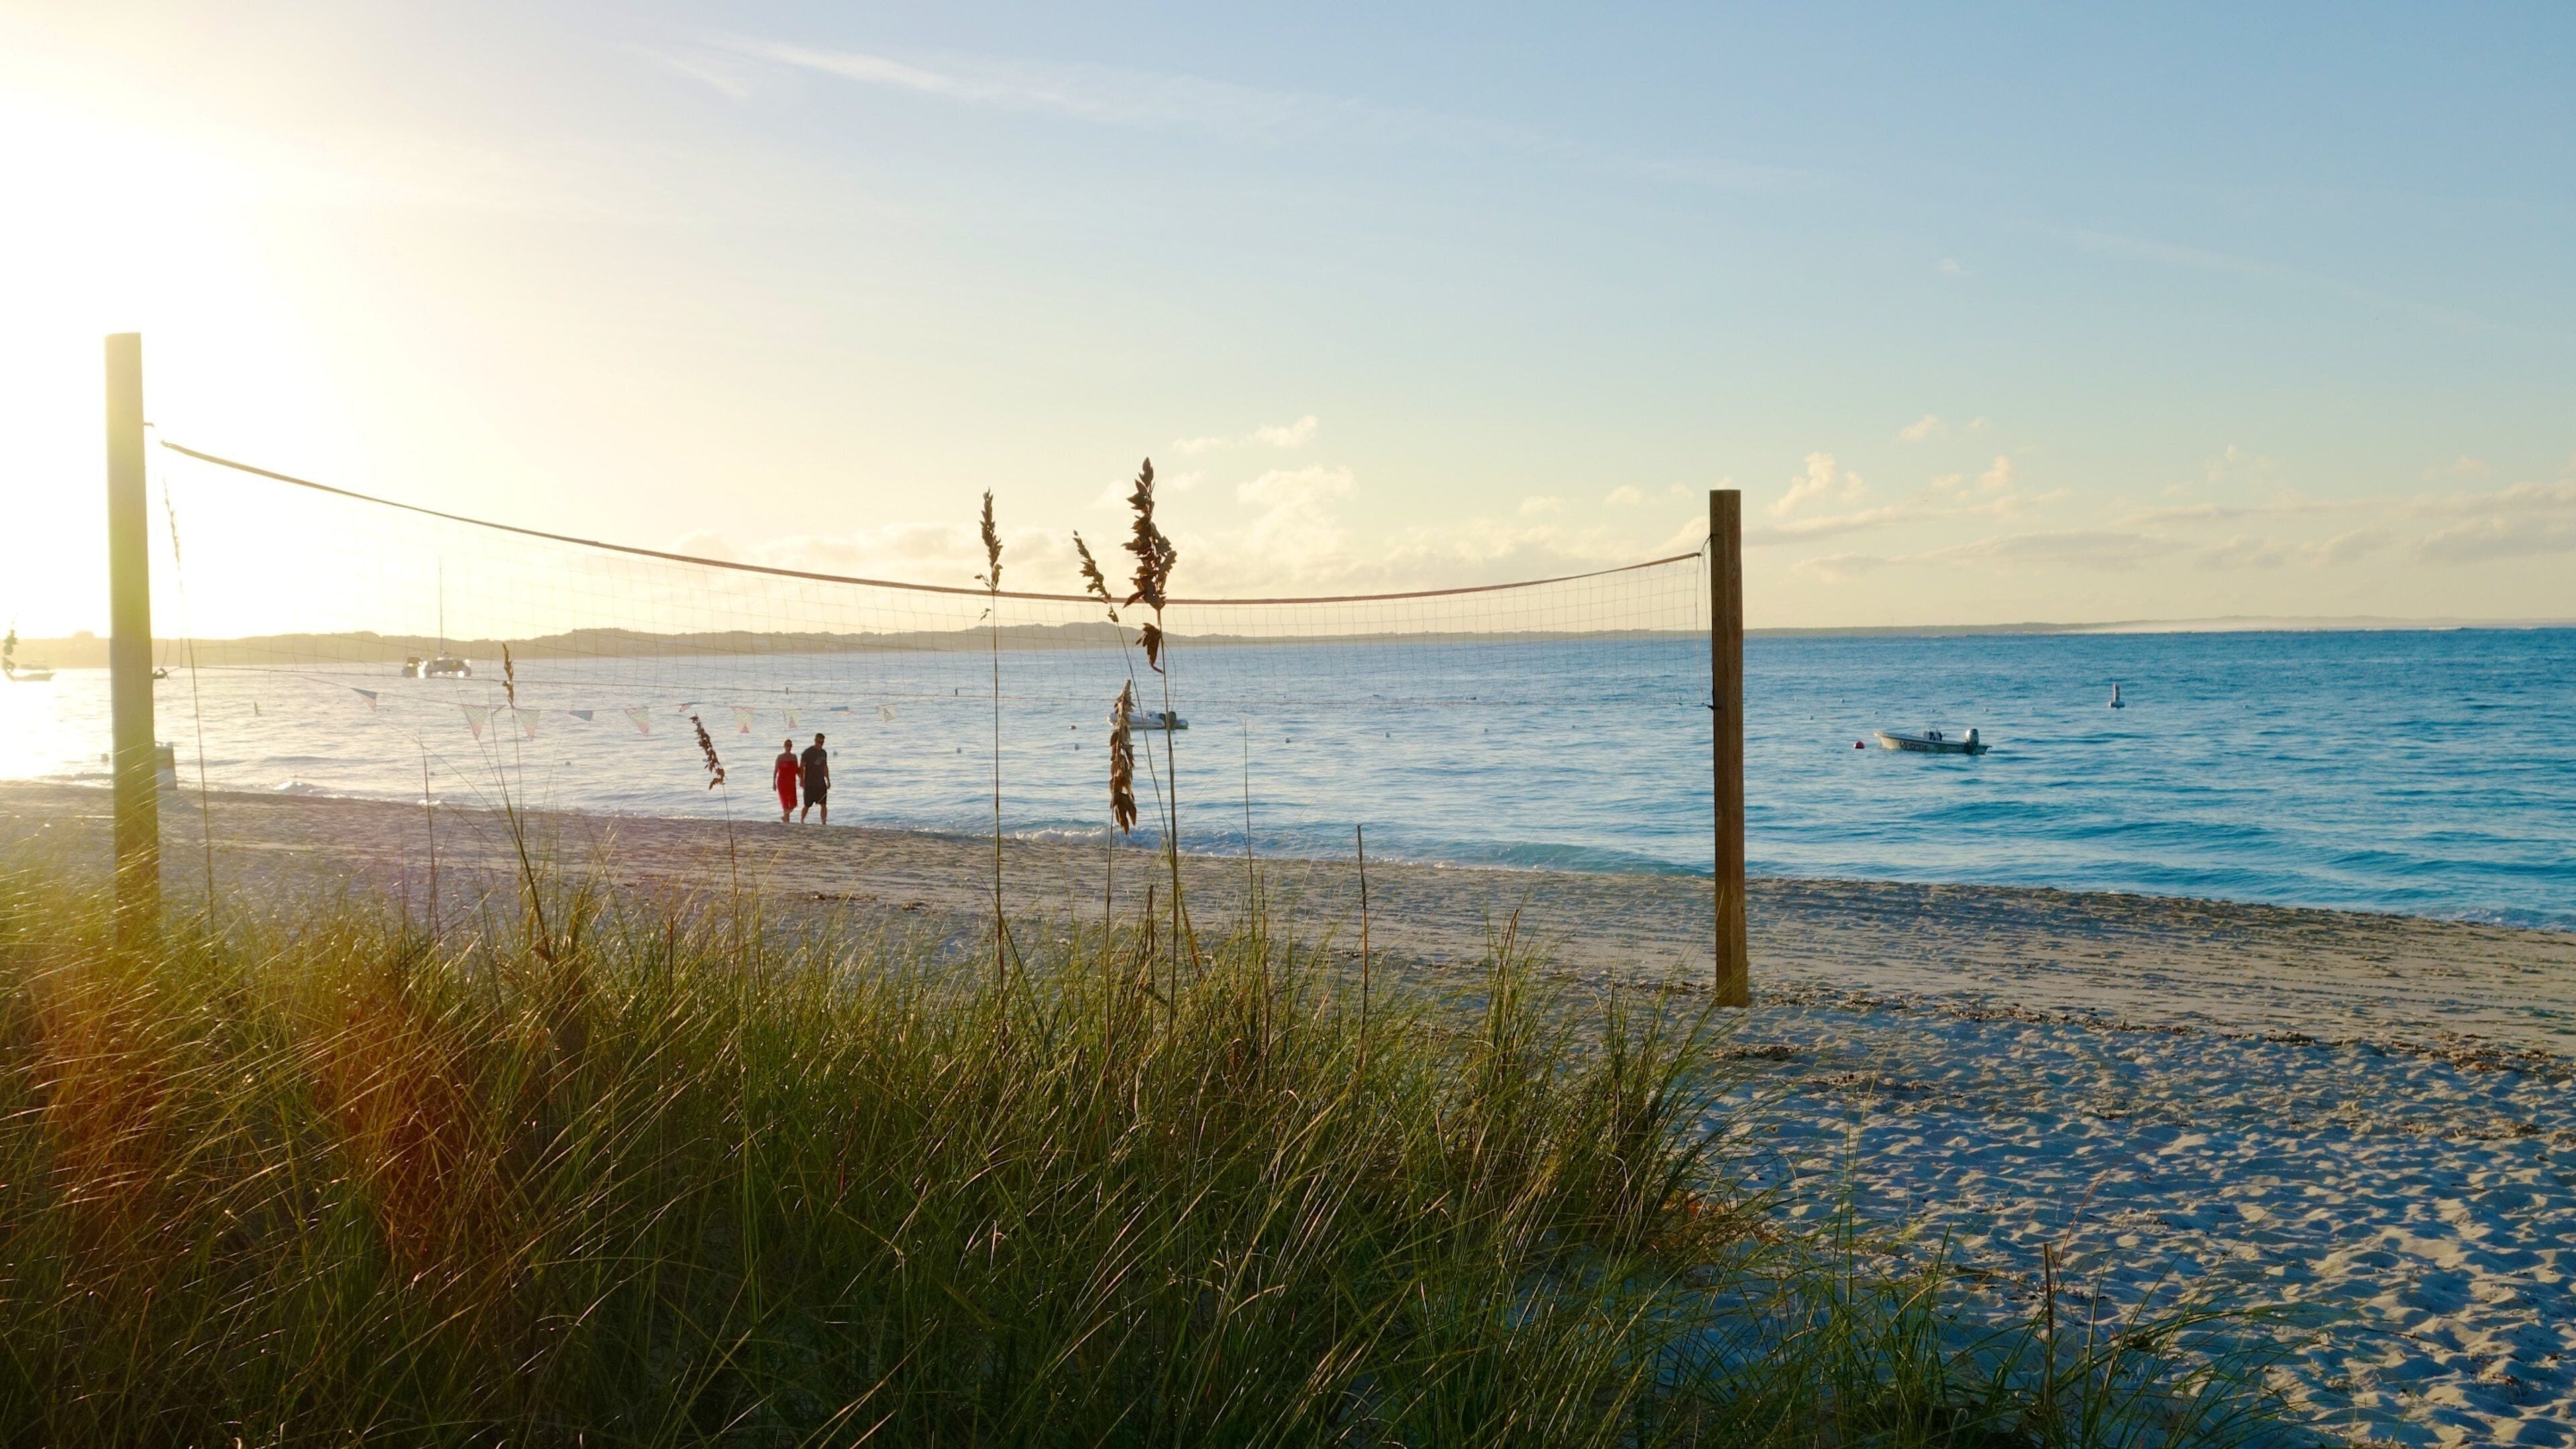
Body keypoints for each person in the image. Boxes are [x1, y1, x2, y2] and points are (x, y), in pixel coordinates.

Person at [799, 733, 831, 824]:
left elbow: (825, 767)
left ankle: (824, 822)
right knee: (807, 805)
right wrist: (801, 780)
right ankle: (802, 821)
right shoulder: (808, 752)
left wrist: (828, 780)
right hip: (810, 782)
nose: (820, 744)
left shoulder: (823, 753)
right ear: (815, 741)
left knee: (823, 804)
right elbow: (801, 767)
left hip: (821, 782)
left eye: (822, 742)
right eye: (818, 742)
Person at [771, 739, 800, 824]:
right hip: (782, 782)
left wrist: (801, 780)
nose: (789, 747)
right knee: (785, 804)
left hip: (791, 782)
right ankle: (787, 822)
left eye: (790, 745)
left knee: (793, 804)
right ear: (784, 746)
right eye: (787, 745)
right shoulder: (780, 757)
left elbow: (796, 770)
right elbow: (776, 770)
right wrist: (773, 783)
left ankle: (785, 818)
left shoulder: (794, 757)